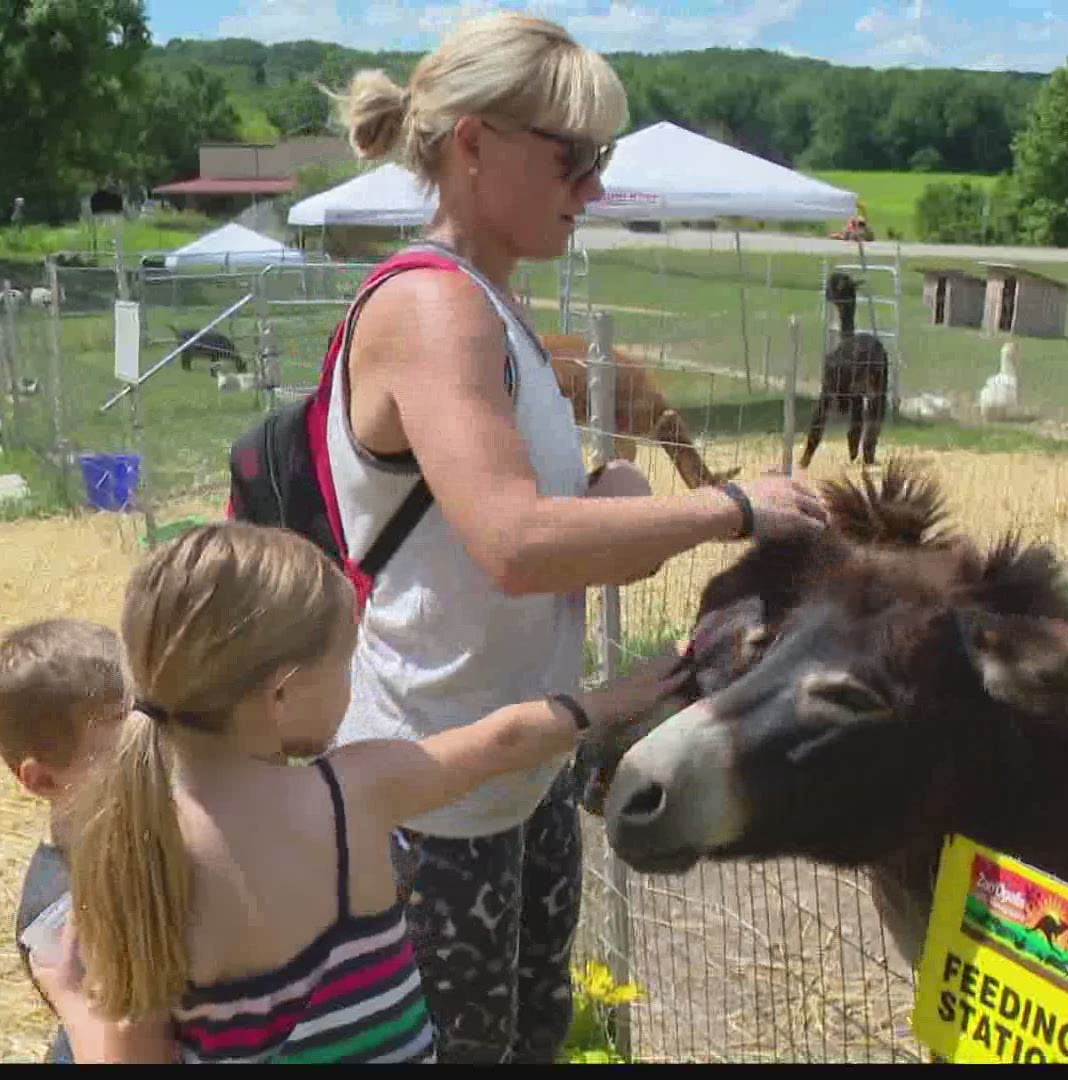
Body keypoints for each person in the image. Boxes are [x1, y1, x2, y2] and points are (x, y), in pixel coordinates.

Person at [326, 11, 830, 1064]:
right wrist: (734, 509)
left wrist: (612, 491)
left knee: (530, 1040)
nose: (593, 187)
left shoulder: (495, 307)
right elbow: (513, 543)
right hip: (438, 793)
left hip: (519, 769)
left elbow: (519, 526)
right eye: (575, 158)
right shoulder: (435, 311)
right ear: (473, 141)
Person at [25, 522, 690, 1063]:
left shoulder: (137, 860)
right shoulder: (357, 792)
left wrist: (73, 998)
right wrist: (630, 693)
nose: (354, 687)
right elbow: (503, 741)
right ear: (280, 694)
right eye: (347, 662)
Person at [0, 617, 133, 1065]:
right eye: (116, 753)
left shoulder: (149, 821)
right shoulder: (57, 913)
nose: (148, 757)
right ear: (43, 778)